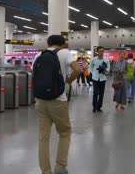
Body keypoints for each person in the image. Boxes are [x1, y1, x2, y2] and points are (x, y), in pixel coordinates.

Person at [34, 35, 81, 174]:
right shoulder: (65, 53)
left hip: (40, 101)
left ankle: (45, 171)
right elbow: (78, 70)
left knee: (43, 137)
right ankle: (60, 167)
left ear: (48, 43)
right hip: (58, 100)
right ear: (62, 44)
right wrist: (68, 80)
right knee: (65, 132)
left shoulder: (39, 55)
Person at [89, 47, 110, 113]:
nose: (101, 52)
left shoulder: (106, 60)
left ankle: (99, 107)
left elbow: (108, 68)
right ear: (97, 52)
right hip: (95, 78)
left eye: (102, 51)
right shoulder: (94, 59)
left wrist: (105, 70)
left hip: (103, 78)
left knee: (101, 94)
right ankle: (94, 106)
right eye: (100, 51)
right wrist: (93, 72)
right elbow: (91, 66)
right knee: (95, 93)